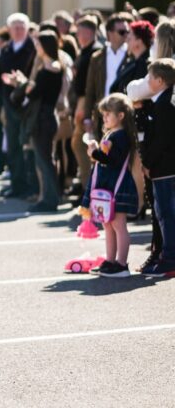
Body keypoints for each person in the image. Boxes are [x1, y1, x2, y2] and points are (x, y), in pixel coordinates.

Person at [81, 94, 139, 278]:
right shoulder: (112, 134)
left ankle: (122, 264)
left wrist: (95, 153)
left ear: (121, 115)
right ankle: (110, 260)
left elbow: (113, 161)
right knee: (107, 224)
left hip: (118, 187)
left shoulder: (121, 136)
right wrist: (97, 151)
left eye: (108, 114)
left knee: (118, 225)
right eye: (103, 115)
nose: (104, 118)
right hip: (108, 187)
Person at [9, 31, 65, 212]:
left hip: (43, 117)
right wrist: (27, 84)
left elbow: (33, 93)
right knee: (42, 160)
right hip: (45, 116)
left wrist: (25, 85)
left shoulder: (50, 67)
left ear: (46, 46)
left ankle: (50, 199)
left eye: (39, 44)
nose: (37, 48)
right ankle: (46, 197)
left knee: (44, 160)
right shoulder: (50, 66)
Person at [0, 13, 37, 198]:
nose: (18, 31)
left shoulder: (33, 49)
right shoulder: (6, 50)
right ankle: (16, 184)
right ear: (9, 30)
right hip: (9, 104)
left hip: (27, 105)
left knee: (27, 145)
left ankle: (30, 185)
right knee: (12, 146)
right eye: (15, 27)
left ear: (27, 29)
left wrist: (19, 82)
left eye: (21, 27)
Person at [138, 59, 175, 277]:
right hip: (167, 166)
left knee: (165, 214)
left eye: (150, 77)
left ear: (160, 81)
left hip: (165, 168)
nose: (148, 81)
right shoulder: (166, 100)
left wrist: (147, 163)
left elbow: (161, 140)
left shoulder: (164, 105)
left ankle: (170, 257)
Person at [84, 12, 132, 136]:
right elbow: (90, 89)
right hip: (102, 114)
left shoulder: (131, 56)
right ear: (109, 34)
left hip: (122, 115)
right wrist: (87, 117)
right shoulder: (97, 57)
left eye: (127, 31)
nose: (126, 35)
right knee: (101, 152)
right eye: (121, 32)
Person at [71, 16, 102, 196]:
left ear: (89, 32)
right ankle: (86, 186)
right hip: (82, 99)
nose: (77, 35)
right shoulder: (85, 51)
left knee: (81, 143)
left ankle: (87, 188)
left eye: (79, 31)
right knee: (78, 143)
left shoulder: (94, 52)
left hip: (86, 100)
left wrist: (85, 107)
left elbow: (90, 84)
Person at [111, 20, 153, 95]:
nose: (126, 40)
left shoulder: (144, 65)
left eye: (129, 38)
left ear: (139, 41)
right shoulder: (132, 61)